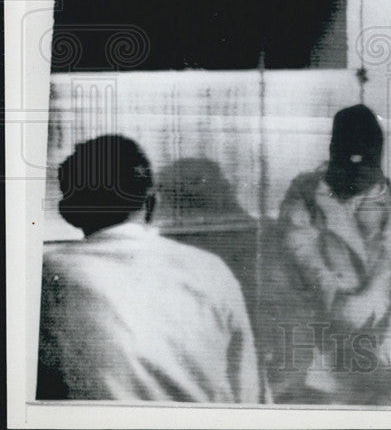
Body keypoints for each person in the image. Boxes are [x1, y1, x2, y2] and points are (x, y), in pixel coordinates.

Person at [37, 135, 262, 403]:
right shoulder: (212, 270)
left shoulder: (43, 277)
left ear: (68, 211)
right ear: (152, 203)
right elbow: (249, 393)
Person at [276, 104, 391, 406]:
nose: (356, 172)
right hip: (324, 337)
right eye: (348, 159)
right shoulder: (306, 195)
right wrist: (341, 304)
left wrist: (371, 306)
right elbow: (301, 254)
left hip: (386, 337)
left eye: (365, 162)